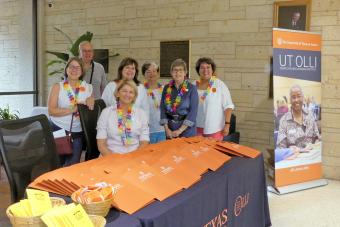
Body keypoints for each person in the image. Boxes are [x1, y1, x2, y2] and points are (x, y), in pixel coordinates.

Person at [48, 57, 94, 166]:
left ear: (82, 71)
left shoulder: (88, 88)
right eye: (71, 66)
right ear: (66, 69)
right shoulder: (57, 87)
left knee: (73, 164)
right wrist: (73, 109)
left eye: (78, 67)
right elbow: (51, 111)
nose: (74, 69)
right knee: (58, 164)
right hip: (59, 129)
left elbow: (91, 107)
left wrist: (91, 100)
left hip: (77, 132)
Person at [97, 80, 149, 155]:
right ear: (118, 93)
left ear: (134, 96)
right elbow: (101, 145)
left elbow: (144, 142)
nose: (127, 94)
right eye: (124, 91)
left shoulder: (141, 114)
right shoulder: (106, 113)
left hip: (135, 157)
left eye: (131, 92)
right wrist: (116, 161)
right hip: (109, 157)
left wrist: (133, 158)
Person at [195, 57, 234, 141]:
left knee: (212, 153)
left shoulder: (219, 84)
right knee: (197, 153)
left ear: (212, 69)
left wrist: (227, 125)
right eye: (202, 67)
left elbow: (228, 106)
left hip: (214, 129)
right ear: (198, 70)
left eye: (208, 67)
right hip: (196, 128)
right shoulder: (193, 85)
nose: (205, 70)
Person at [160, 59, 198, 138]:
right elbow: (163, 109)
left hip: (187, 130)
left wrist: (180, 130)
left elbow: (193, 112)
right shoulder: (166, 88)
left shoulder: (192, 88)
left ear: (185, 72)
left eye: (180, 70)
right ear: (171, 72)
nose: (177, 73)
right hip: (170, 130)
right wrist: (167, 129)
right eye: (175, 70)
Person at [277, 84, 320, 149]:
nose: (296, 100)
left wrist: (314, 145)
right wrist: (289, 150)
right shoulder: (284, 120)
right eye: (293, 97)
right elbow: (280, 149)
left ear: (303, 97)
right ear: (290, 100)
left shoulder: (310, 115)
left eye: (299, 96)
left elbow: (317, 138)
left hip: (311, 156)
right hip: (294, 157)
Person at [141, 62, 166, 144]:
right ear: (144, 74)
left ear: (158, 73)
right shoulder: (140, 90)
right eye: (148, 72)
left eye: (154, 71)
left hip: (162, 130)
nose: (151, 74)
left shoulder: (165, 90)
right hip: (146, 132)